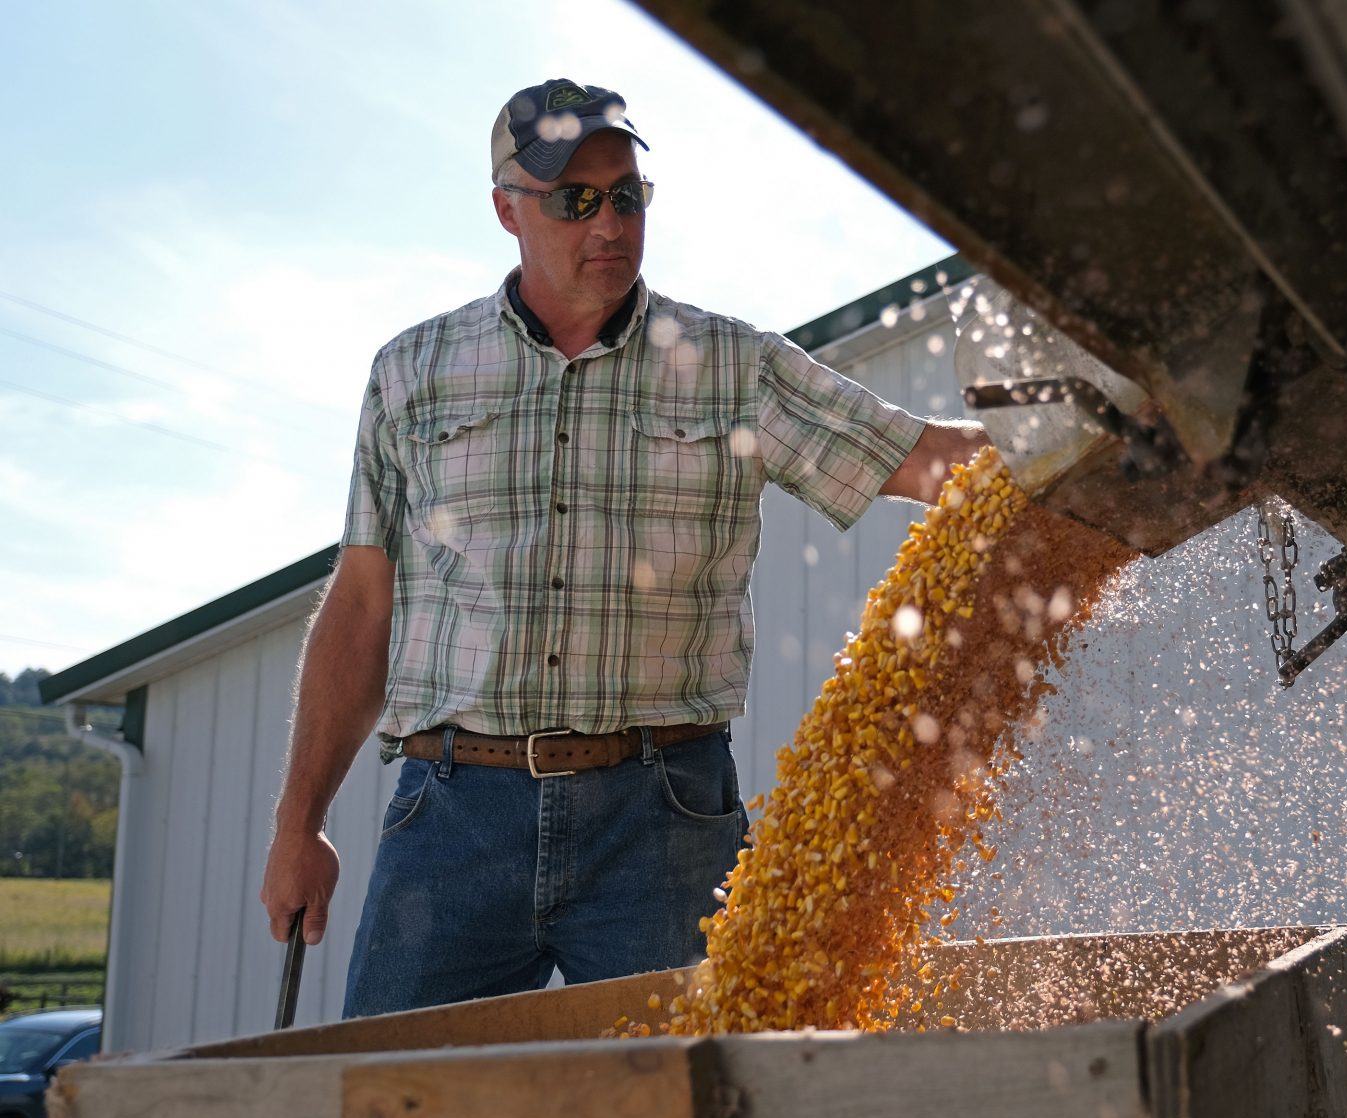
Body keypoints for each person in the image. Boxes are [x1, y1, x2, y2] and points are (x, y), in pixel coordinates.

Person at [258, 79, 986, 1017]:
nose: (609, 223)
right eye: (575, 200)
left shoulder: (732, 364)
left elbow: (917, 457)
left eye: (627, 196)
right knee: (392, 1104)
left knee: (699, 1097)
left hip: (665, 816)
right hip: (452, 813)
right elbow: (362, 606)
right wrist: (299, 821)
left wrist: (1093, 449)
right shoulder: (413, 372)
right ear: (506, 210)